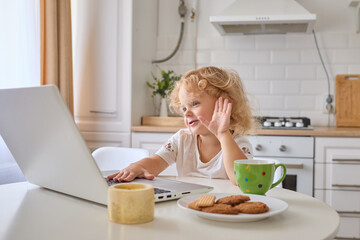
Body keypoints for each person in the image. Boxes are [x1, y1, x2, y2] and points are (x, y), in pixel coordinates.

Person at [108, 66, 255, 185]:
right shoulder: (182, 139)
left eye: (195, 103)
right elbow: (156, 162)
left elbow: (242, 180)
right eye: (184, 108)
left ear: (223, 103)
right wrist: (139, 166)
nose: (187, 113)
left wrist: (223, 134)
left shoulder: (238, 144)